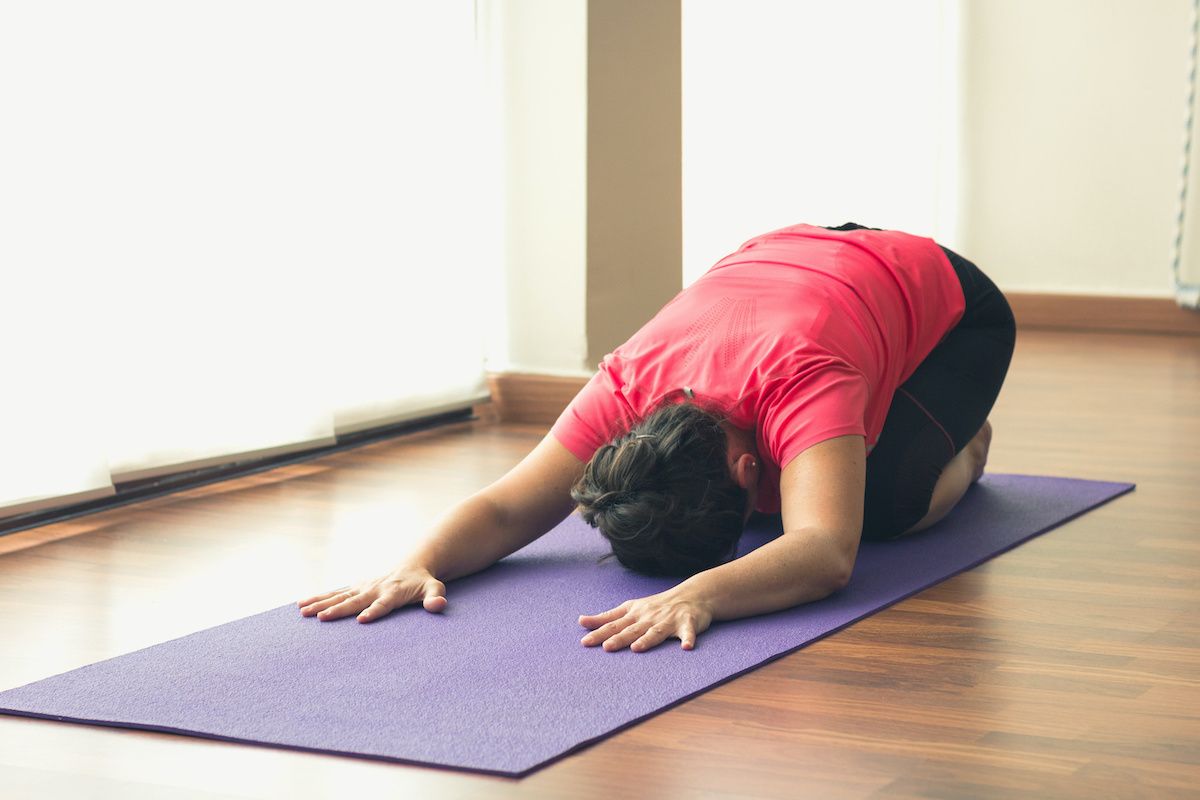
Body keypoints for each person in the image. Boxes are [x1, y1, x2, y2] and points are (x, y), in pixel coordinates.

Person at [297, 222, 1016, 654]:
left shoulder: (805, 379)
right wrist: (416, 563)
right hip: (800, 263)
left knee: (885, 508)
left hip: (952, 305)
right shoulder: (627, 385)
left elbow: (827, 555)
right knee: (810, 496)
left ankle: (967, 441)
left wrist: (700, 593)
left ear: (745, 468)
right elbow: (509, 507)